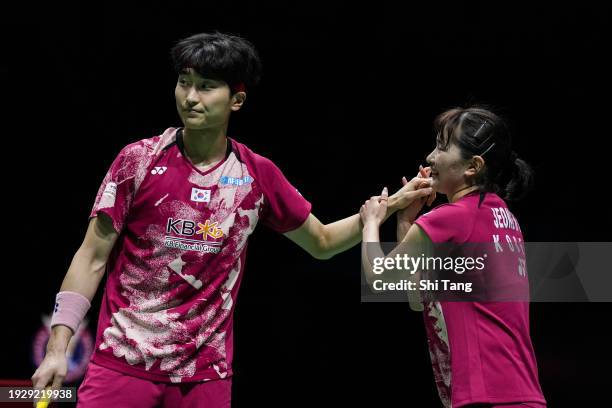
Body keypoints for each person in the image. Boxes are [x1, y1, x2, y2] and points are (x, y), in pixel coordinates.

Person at [31, 32, 432, 407]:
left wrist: (392, 204)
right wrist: (57, 349)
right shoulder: (137, 160)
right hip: (121, 365)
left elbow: (322, 242)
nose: (190, 97)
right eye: (184, 82)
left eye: (206, 86)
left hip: (205, 378)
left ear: (236, 100)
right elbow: (90, 258)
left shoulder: (256, 176)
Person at [360, 106, 547, 408]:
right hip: (519, 396)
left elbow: (379, 278)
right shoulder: (502, 218)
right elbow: (418, 299)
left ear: (472, 166)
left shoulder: (452, 218)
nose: (431, 158)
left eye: (442, 147)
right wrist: (407, 222)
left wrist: (372, 221)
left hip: (489, 398)